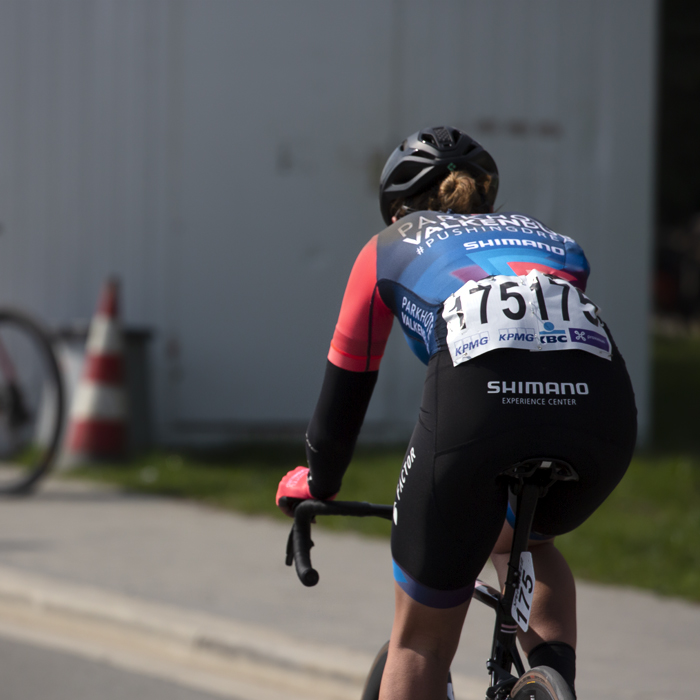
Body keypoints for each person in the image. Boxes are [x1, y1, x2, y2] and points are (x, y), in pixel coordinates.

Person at [276, 126, 637, 700]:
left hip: (479, 413)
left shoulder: (388, 245)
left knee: (420, 640)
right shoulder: (554, 240)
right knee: (527, 539)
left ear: (397, 209)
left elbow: (346, 388)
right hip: (604, 419)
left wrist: (319, 480)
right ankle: (552, 686)